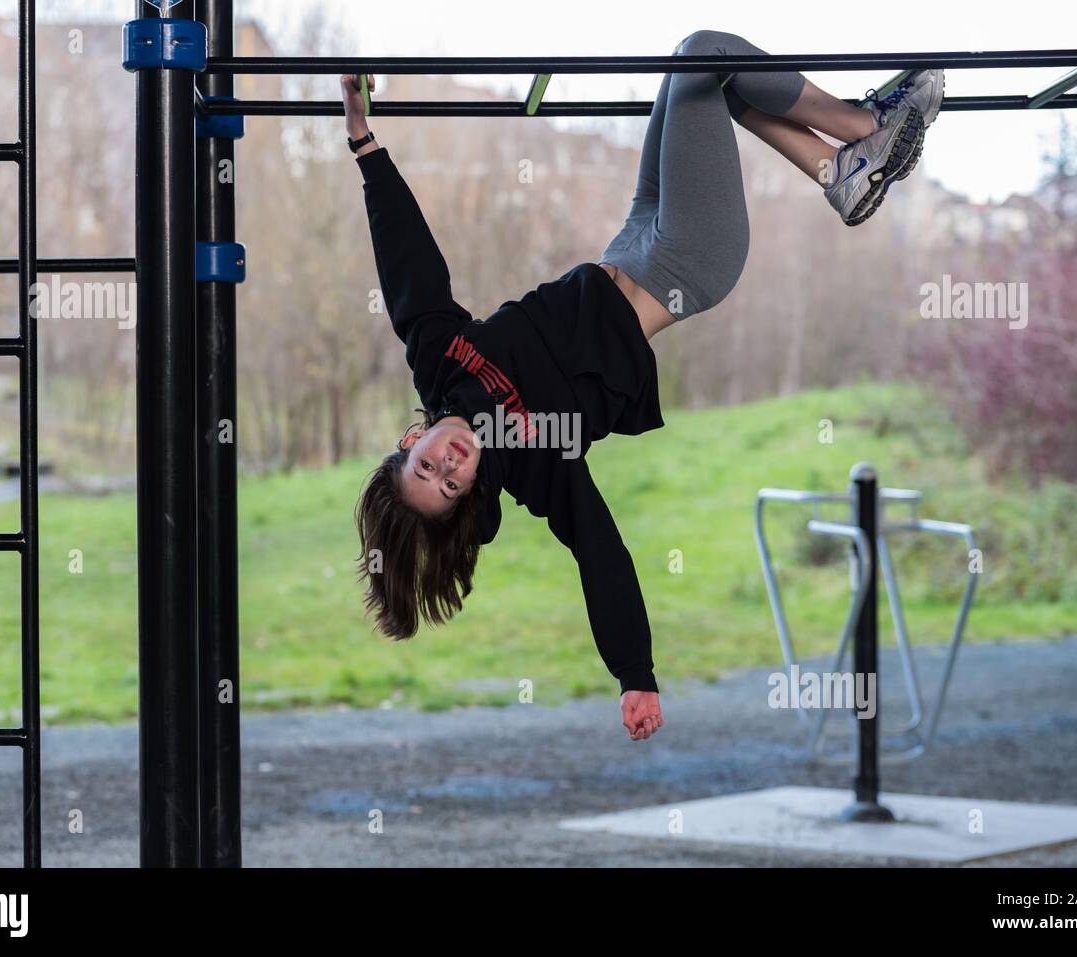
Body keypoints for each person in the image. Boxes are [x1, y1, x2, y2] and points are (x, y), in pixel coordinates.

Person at [347, 29, 944, 742]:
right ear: (469, 492)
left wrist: (363, 142)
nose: (448, 467)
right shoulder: (536, 461)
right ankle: (860, 130)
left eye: (427, 467)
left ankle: (841, 168)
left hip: (633, 240)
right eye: (450, 487)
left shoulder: (442, 360)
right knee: (703, 53)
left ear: (413, 440)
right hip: (686, 262)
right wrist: (635, 671)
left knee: (705, 76)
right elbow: (600, 552)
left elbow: (409, 264)